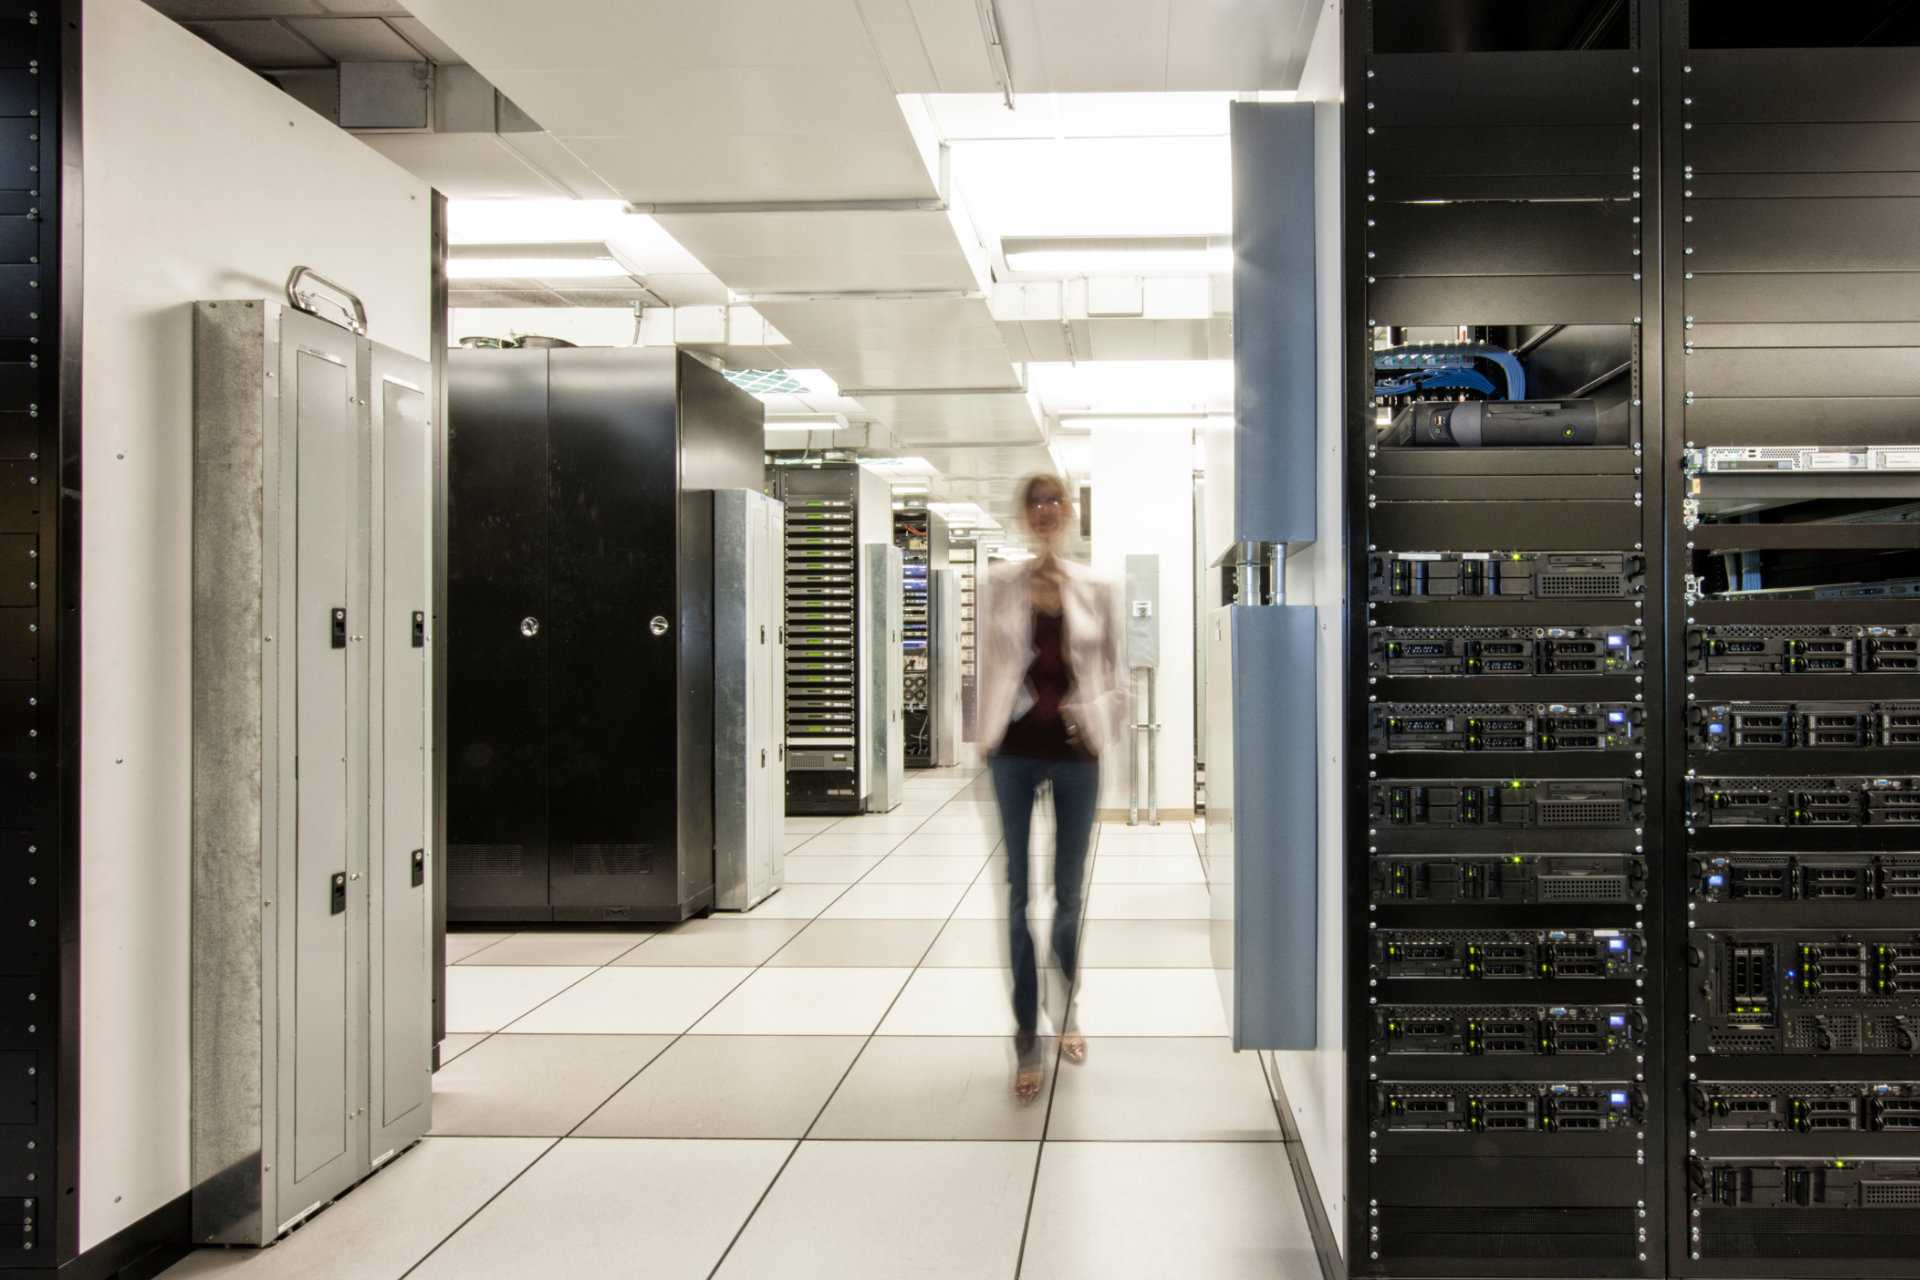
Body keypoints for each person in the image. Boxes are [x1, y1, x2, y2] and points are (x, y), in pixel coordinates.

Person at [979, 473, 1126, 1103]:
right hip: (1012, 755)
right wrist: (981, 737)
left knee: (1068, 894)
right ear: (1023, 514)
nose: (1044, 511)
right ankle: (1025, 1038)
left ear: (1069, 512)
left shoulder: (1098, 585)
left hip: (1075, 756)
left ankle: (1066, 1012)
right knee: (1017, 898)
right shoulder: (997, 583)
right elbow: (985, 666)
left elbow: (1117, 669)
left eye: (1054, 501)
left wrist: (1092, 719)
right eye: (1034, 502)